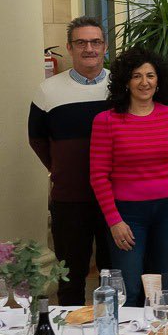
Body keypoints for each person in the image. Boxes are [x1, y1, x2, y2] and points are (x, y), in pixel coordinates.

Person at [89, 47, 168, 307]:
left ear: (158, 80)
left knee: (163, 286)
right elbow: (98, 176)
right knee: (129, 288)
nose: (144, 82)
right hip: (127, 215)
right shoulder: (106, 121)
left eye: (150, 75)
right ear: (126, 81)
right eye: (137, 76)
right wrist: (114, 221)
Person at [28, 16, 112, 305]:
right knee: (70, 276)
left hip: (114, 199)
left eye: (95, 42)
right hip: (69, 199)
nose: (89, 48)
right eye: (81, 42)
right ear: (69, 47)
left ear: (105, 46)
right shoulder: (48, 90)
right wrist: (62, 169)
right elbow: (37, 139)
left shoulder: (120, 88)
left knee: (112, 274)